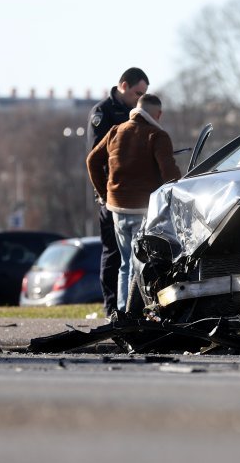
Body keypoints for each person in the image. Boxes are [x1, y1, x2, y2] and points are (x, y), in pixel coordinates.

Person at [86, 93, 181, 314]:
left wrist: (104, 193)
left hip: (117, 208)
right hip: (144, 209)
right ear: (158, 114)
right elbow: (170, 175)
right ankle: (133, 313)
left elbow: (92, 160)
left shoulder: (115, 131)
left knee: (125, 263)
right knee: (140, 264)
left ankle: (120, 312)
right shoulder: (157, 135)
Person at [86, 67, 149, 317]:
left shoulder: (136, 112)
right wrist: (103, 193)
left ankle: (133, 307)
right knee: (114, 254)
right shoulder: (104, 113)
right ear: (123, 85)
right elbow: (96, 157)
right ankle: (112, 307)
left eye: (144, 94)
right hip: (112, 197)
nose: (140, 98)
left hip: (136, 197)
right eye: (137, 93)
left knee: (135, 255)